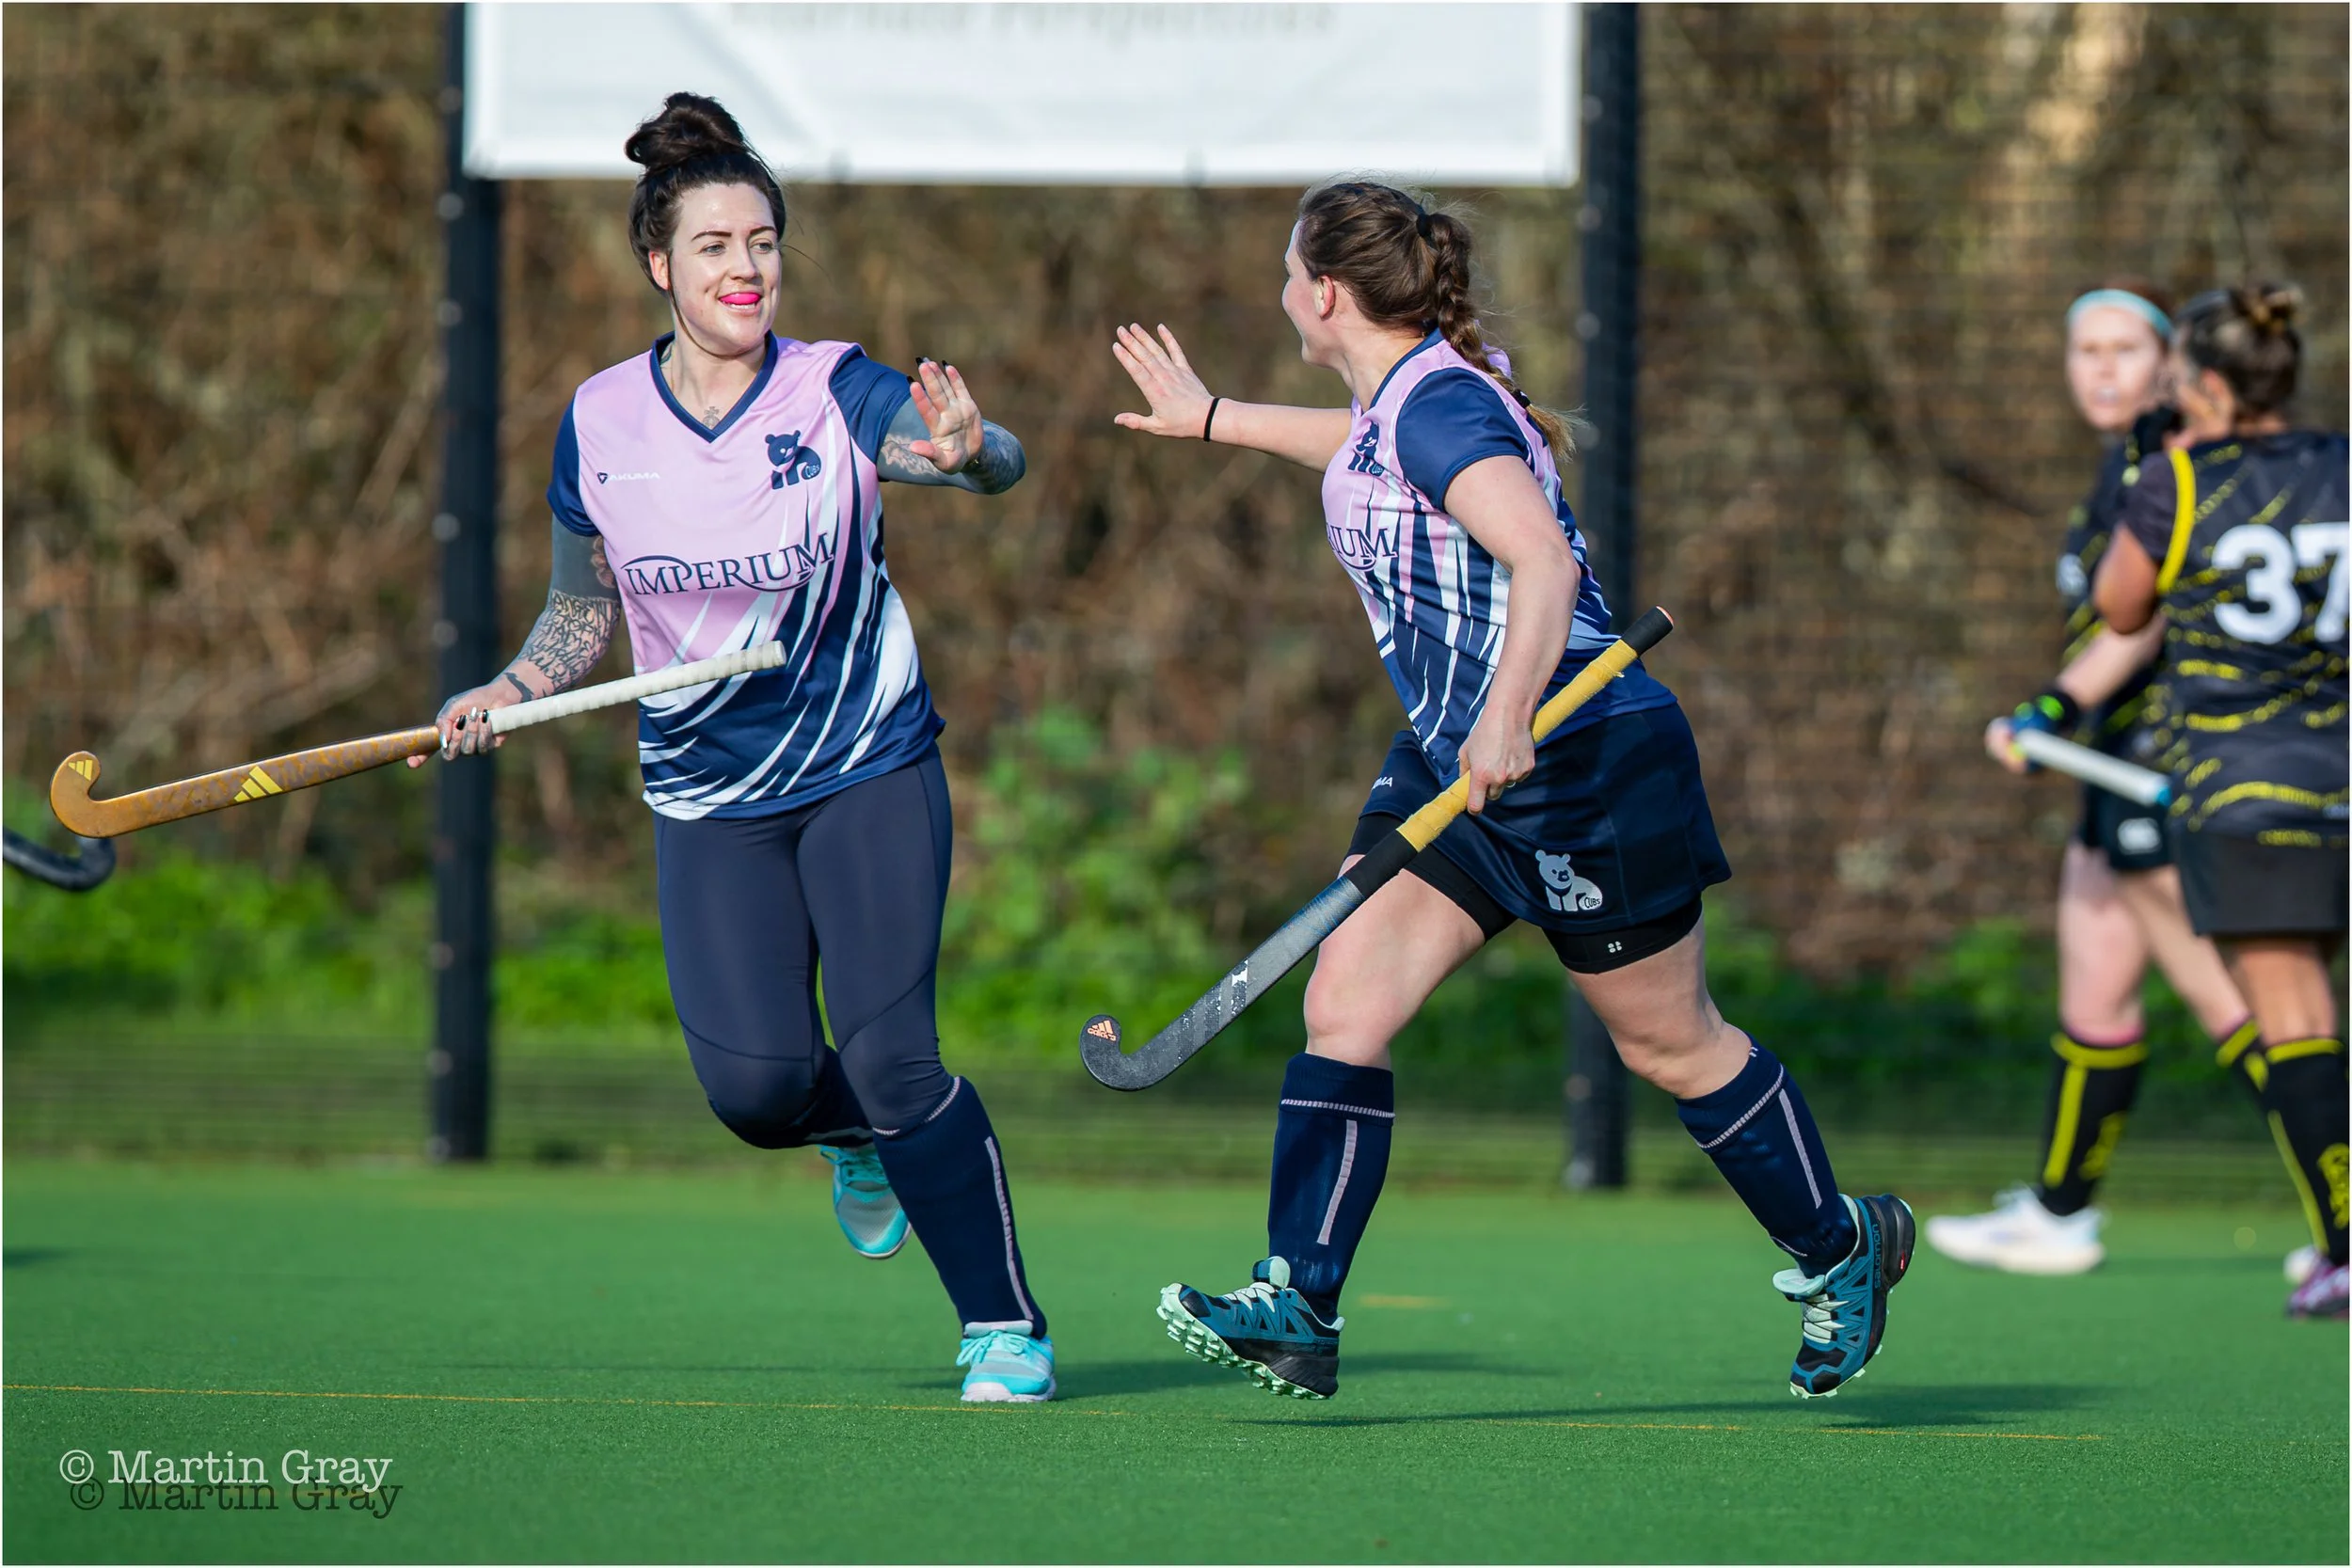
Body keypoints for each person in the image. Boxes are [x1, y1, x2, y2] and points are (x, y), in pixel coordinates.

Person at [1109, 180, 1913, 1401]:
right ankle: (1300, 1297)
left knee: (1669, 1042)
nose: (1283, 295)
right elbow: (1368, 453)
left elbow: (1536, 551)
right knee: (1348, 999)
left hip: (1582, 757)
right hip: (1461, 759)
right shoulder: (1402, 405)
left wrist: (1502, 714)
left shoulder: (1438, 407)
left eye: (1287, 274)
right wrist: (1215, 416)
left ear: (1323, 293)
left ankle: (1842, 1244)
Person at [415, 94, 1057, 1398]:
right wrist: (508, 683)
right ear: (660, 264)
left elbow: (983, 461)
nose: (746, 268)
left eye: (763, 241)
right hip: (707, 795)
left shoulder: (834, 390)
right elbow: (582, 605)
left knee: (895, 1057)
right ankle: (853, 1138)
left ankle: (1003, 1324)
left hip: (868, 760)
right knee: (757, 1089)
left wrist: (969, 451)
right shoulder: (600, 422)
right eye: (714, 245)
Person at [1929, 283, 2266, 1278]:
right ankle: (2060, 1211)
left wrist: (2051, 708)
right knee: (2094, 970)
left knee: (2230, 996)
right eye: (2086, 349)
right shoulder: (2118, 462)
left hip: (2163, 754)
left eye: (2125, 348)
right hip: (2111, 759)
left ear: (2170, 363)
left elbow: (2147, 616)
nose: (2103, 367)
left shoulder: (2172, 460)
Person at [2093, 282, 2348, 1320]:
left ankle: (2344, 1244)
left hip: (2245, 787)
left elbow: (2117, 604)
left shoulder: (2179, 478)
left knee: (2294, 1015)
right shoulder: (2343, 464)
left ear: (2204, 385)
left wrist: (2149, 476)